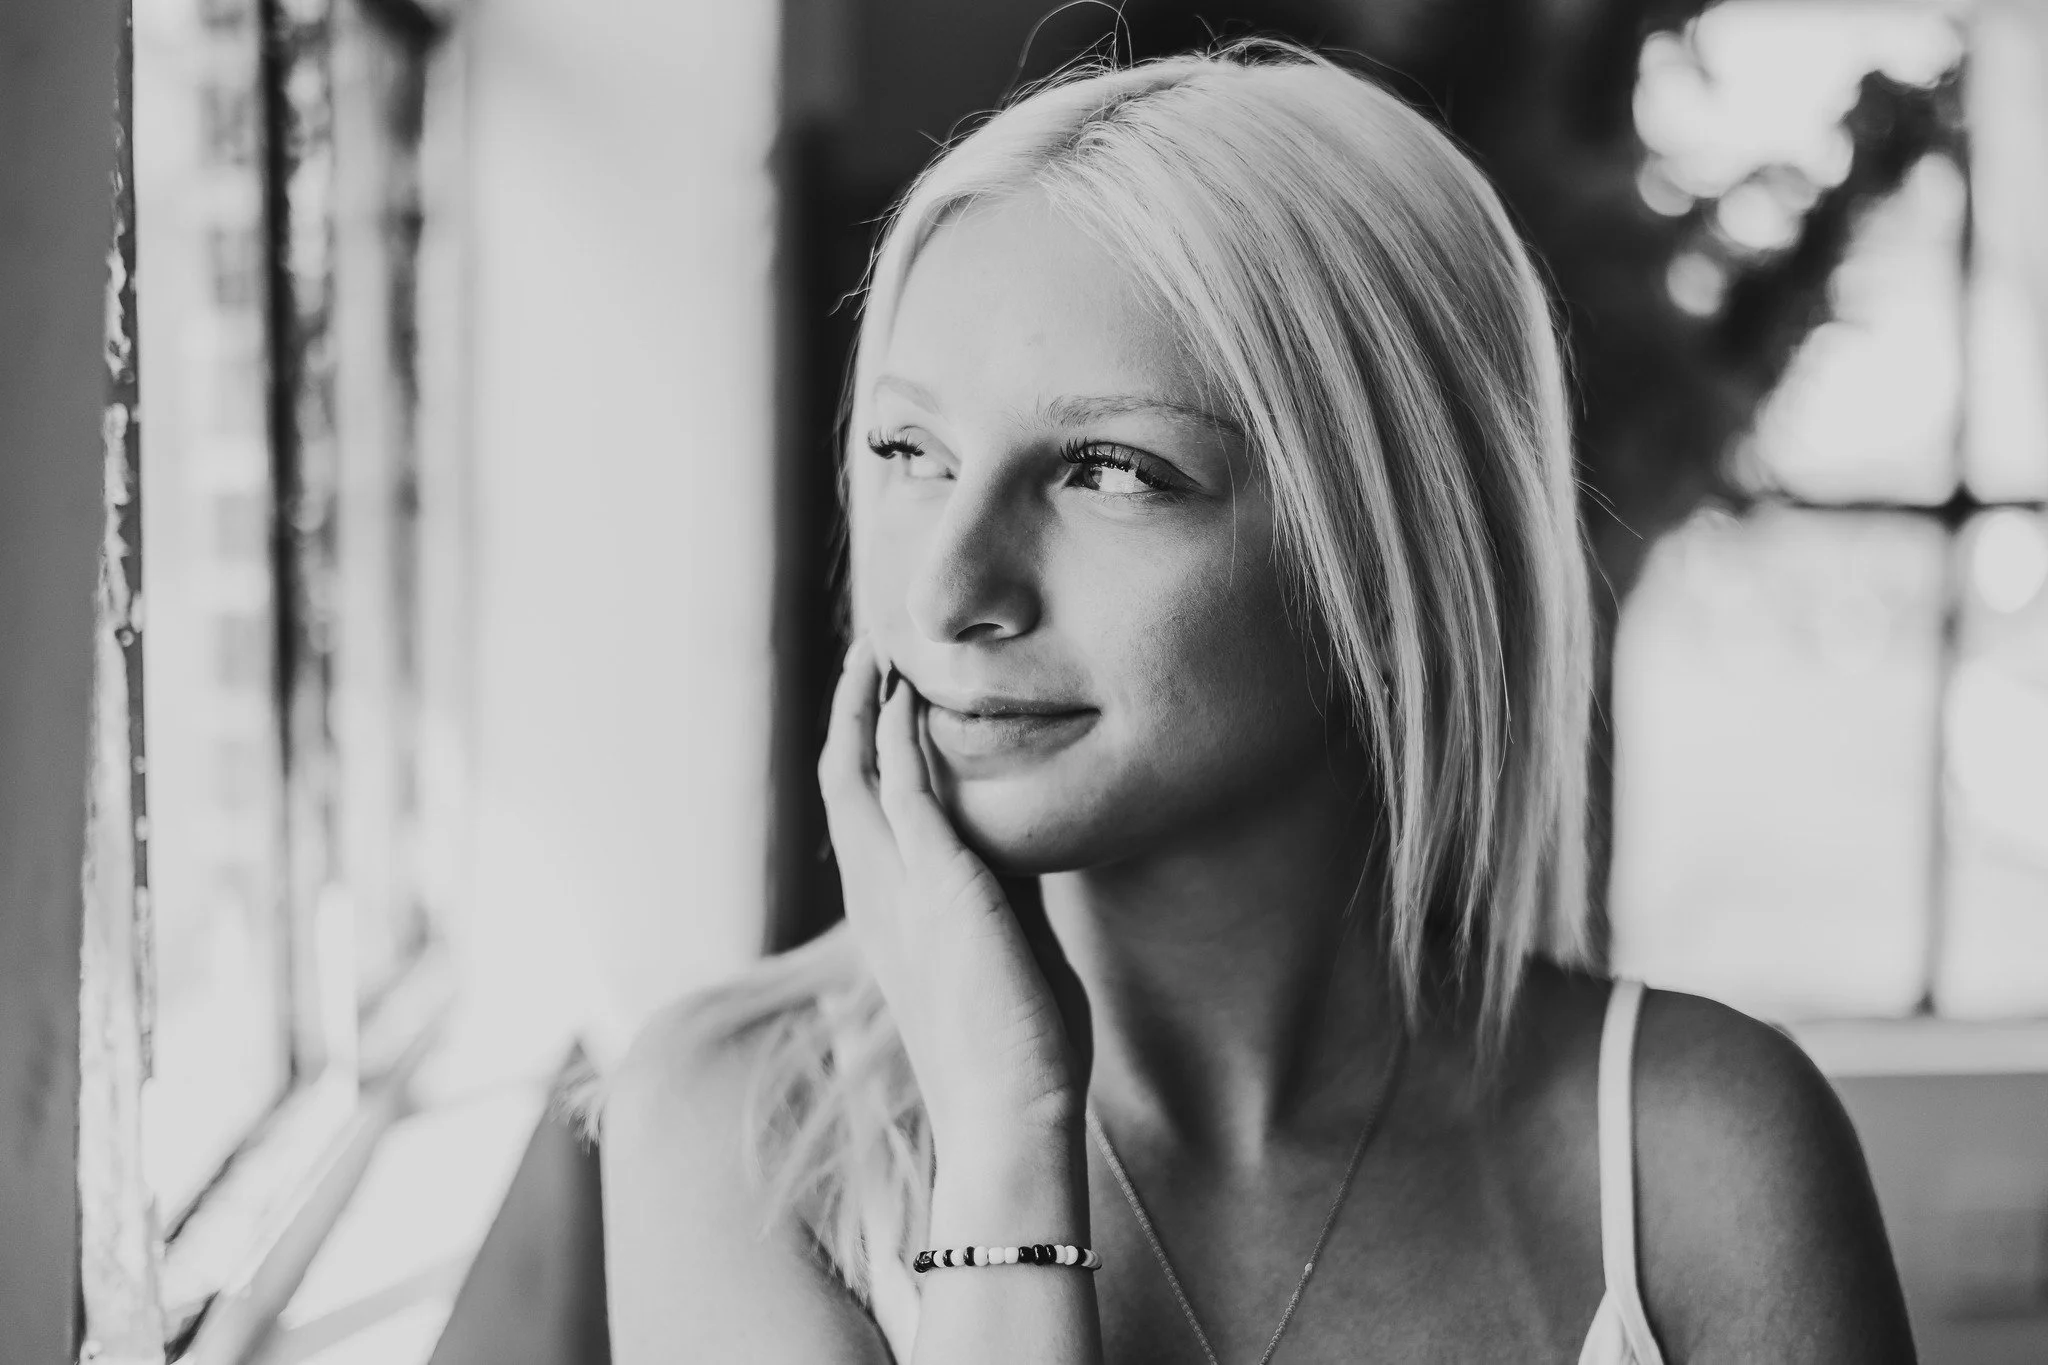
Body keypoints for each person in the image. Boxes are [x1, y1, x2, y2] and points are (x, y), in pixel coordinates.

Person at [602, 45, 1915, 1365]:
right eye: (910, 452)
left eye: (1113, 471)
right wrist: (1005, 1150)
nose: (949, 591)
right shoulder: (740, 1136)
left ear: (1398, 567)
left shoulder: (1698, 1159)